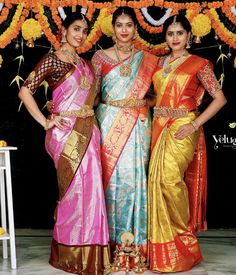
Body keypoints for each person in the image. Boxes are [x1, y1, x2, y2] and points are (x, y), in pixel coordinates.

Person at [18, 13, 110, 275]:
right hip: (64, 133)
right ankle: (70, 252)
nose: (80, 35)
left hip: (88, 132)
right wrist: (46, 121)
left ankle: (91, 251)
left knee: (91, 191)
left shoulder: (86, 64)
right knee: (73, 191)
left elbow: (88, 101)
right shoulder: (53, 60)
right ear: (63, 30)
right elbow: (25, 91)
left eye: (84, 30)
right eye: (76, 29)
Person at [148, 14, 227, 273]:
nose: (174, 38)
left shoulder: (199, 64)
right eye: (170, 33)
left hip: (183, 127)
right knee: (156, 182)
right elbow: (154, 98)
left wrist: (194, 124)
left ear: (189, 36)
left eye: (179, 33)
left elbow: (219, 98)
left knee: (170, 180)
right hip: (159, 126)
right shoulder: (159, 63)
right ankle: (164, 245)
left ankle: (184, 239)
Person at [91, 7, 158, 263]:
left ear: (135, 28)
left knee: (134, 178)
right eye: (119, 25)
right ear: (113, 28)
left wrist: (144, 106)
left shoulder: (148, 59)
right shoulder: (100, 57)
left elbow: (155, 94)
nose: (124, 30)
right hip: (108, 122)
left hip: (138, 125)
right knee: (110, 179)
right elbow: (94, 95)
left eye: (128, 25)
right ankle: (108, 244)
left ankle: (135, 245)